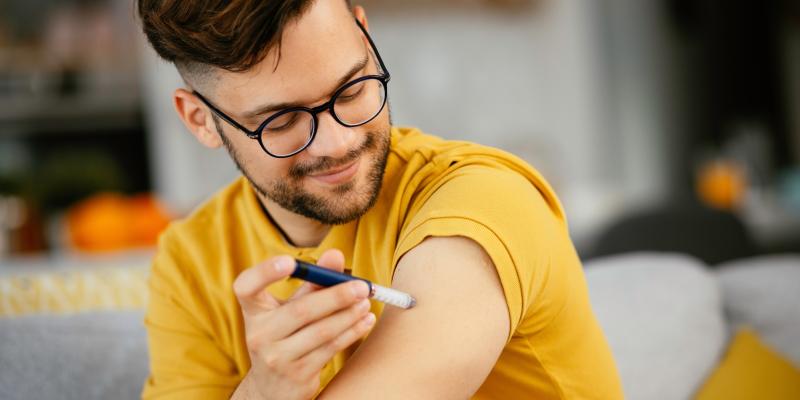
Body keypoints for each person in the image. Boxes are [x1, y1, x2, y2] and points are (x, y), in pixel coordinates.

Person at [136, 0, 624, 398]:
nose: (336, 144)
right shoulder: (190, 263)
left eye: (350, 90)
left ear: (364, 33)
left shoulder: (486, 199)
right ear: (200, 120)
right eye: (281, 122)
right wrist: (266, 392)